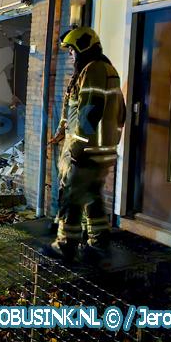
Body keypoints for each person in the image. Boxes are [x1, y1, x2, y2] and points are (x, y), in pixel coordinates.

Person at [49, 26, 126, 261]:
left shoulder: (94, 70)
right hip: (99, 148)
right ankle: (99, 240)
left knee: (72, 196)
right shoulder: (101, 69)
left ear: (83, 47)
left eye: (72, 50)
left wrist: (78, 147)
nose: (71, 55)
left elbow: (89, 111)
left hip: (86, 149)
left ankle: (66, 245)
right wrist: (61, 131)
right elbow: (78, 109)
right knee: (91, 195)